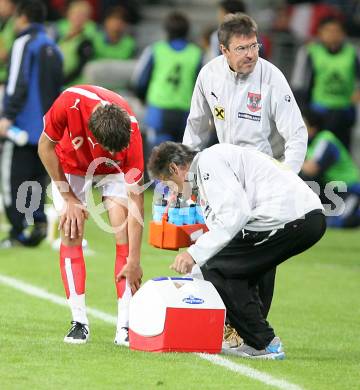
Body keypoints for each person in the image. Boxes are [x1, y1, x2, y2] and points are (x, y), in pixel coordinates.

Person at [148, 141, 326, 359]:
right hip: (297, 216)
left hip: (293, 217)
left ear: (175, 169)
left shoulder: (208, 163)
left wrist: (193, 254)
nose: (172, 193)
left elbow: (235, 216)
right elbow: (227, 225)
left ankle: (263, 342)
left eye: (168, 185)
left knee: (215, 267)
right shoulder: (211, 164)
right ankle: (252, 338)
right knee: (235, 265)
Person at [38, 85, 144, 346]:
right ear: (94, 137)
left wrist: (135, 259)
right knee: (71, 230)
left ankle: (125, 326)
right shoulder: (68, 103)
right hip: (71, 163)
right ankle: (79, 322)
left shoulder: (131, 135)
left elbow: (136, 203)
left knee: (124, 238)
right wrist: (68, 198)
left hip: (114, 172)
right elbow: (44, 148)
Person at [183, 12, 307, 174]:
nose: (250, 54)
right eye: (241, 48)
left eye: (254, 46)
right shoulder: (209, 74)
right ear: (224, 50)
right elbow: (196, 127)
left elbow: (296, 133)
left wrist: (287, 175)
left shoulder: (272, 78)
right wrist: (186, 168)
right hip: (228, 171)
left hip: (266, 172)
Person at [0, 0, 63, 248]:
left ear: (23, 17)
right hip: (46, 130)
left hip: (22, 128)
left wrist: (7, 116)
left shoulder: (23, 43)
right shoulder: (52, 46)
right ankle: (38, 223)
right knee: (37, 178)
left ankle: (17, 231)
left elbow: (17, 82)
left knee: (12, 177)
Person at [132, 11, 202, 151]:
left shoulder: (155, 50)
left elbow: (139, 81)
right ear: (187, 31)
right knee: (181, 158)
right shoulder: (197, 53)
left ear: (166, 30)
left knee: (158, 158)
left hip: (159, 110)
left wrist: (142, 99)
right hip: (185, 112)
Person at [292, 16, 360, 150]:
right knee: (315, 157)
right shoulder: (310, 52)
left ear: (343, 34)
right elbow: (299, 85)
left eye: (336, 31)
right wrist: (304, 116)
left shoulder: (352, 53)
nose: (332, 35)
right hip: (317, 114)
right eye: (328, 31)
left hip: (344, 114)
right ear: (320, 33)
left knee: (341, 154)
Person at [300, 109, 360, 228]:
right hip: (333, 192)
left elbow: (311, 169)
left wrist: (288, 162)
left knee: (337, 224)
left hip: (350, 191)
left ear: (313, 127)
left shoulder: (325, 140)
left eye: (303, 125)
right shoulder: (310, 143)